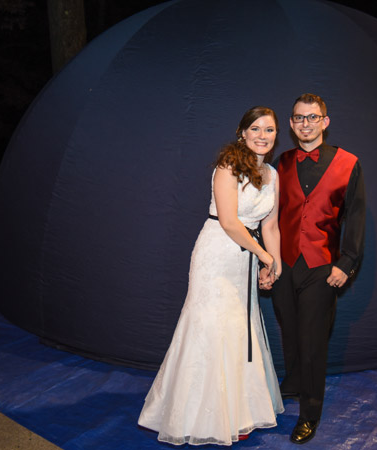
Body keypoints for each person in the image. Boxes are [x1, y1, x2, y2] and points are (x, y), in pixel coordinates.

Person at [138, 106, 284, 446]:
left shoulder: (274, 175)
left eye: (270, 130)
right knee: (209, 329)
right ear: (242, 132)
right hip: (217, 253)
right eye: (256, 128)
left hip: (247, 258)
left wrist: (272, 263)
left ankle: (239, 412)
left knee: (239, 330)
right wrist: (262, 254)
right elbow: (231, 222)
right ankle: (195, 415)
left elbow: (271, 225)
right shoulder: (228, 165)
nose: (263, 135)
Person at [260, 93, 365, 444]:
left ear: (325, 121)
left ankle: (310, 413)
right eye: (299, 118)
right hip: (285, 265)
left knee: (313, 340)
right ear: (291, 124)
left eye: (312, 117)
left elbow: (357, 217)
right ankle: (292, 382)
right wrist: (268, 261)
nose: (306, 123)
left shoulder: (349, 163)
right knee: (289, 329)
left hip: (322, 268)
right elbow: (268, 217)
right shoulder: (279, 163)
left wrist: (347, 264)